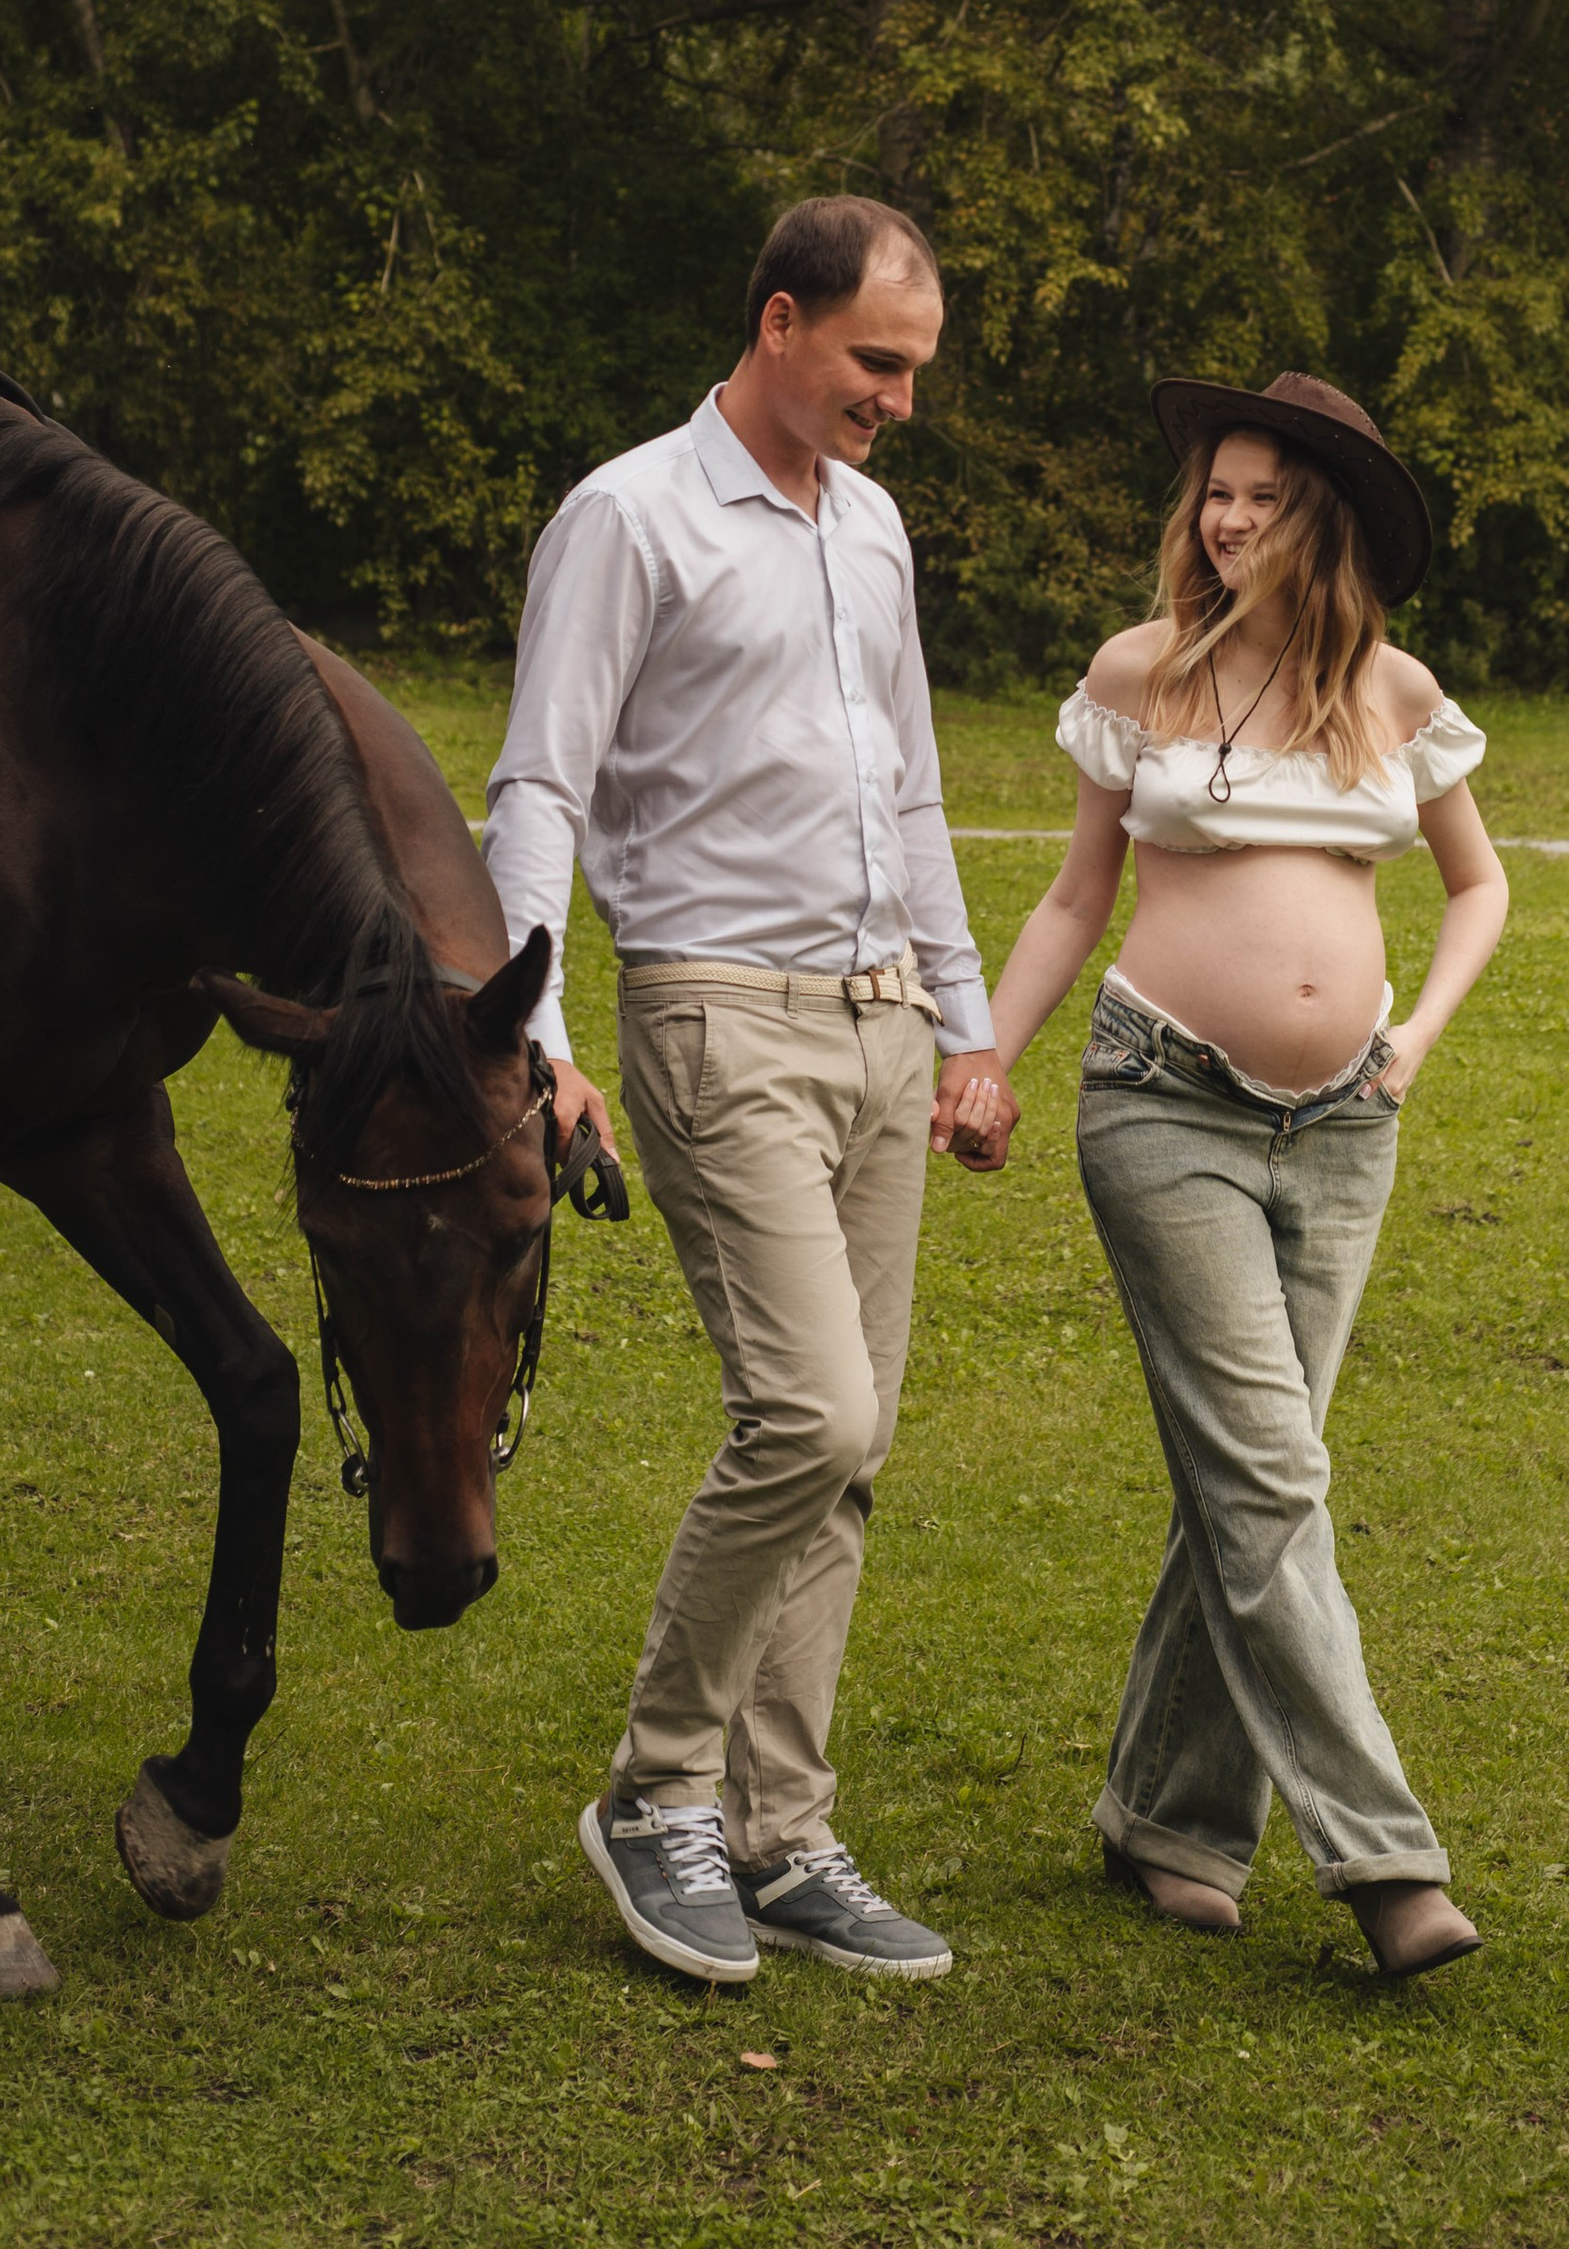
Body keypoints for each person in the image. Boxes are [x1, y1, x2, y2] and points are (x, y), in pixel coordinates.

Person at [484, 197, 1017, 1989]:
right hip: (718, 1017)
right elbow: (539, 791)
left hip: (879, 1030)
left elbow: (919, 794)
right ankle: (658, 1794)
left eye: (917, 372)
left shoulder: (873, 534)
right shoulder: (630, 515)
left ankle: (784, 1836)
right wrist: (536, 1038)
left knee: (852, 1458)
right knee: (810, 1415)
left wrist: (963, 1026)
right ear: (779, 324)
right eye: (878, 362)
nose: (899, 402)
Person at [984, 371, 1507, 1977]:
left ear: (1322, 521)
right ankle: (1386, 1864)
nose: (1226, 518)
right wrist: (986, 1054)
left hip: (1347, 1125)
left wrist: (1413, 1036)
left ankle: (1167, 1817)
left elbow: (1480, 888)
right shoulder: (1140, 673)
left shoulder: (1394, 693)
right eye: (1215, 490)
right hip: (1164, 1106)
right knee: (1273, 1480)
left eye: (1263, 496)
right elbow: (1079, 895)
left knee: (1247, 1476)